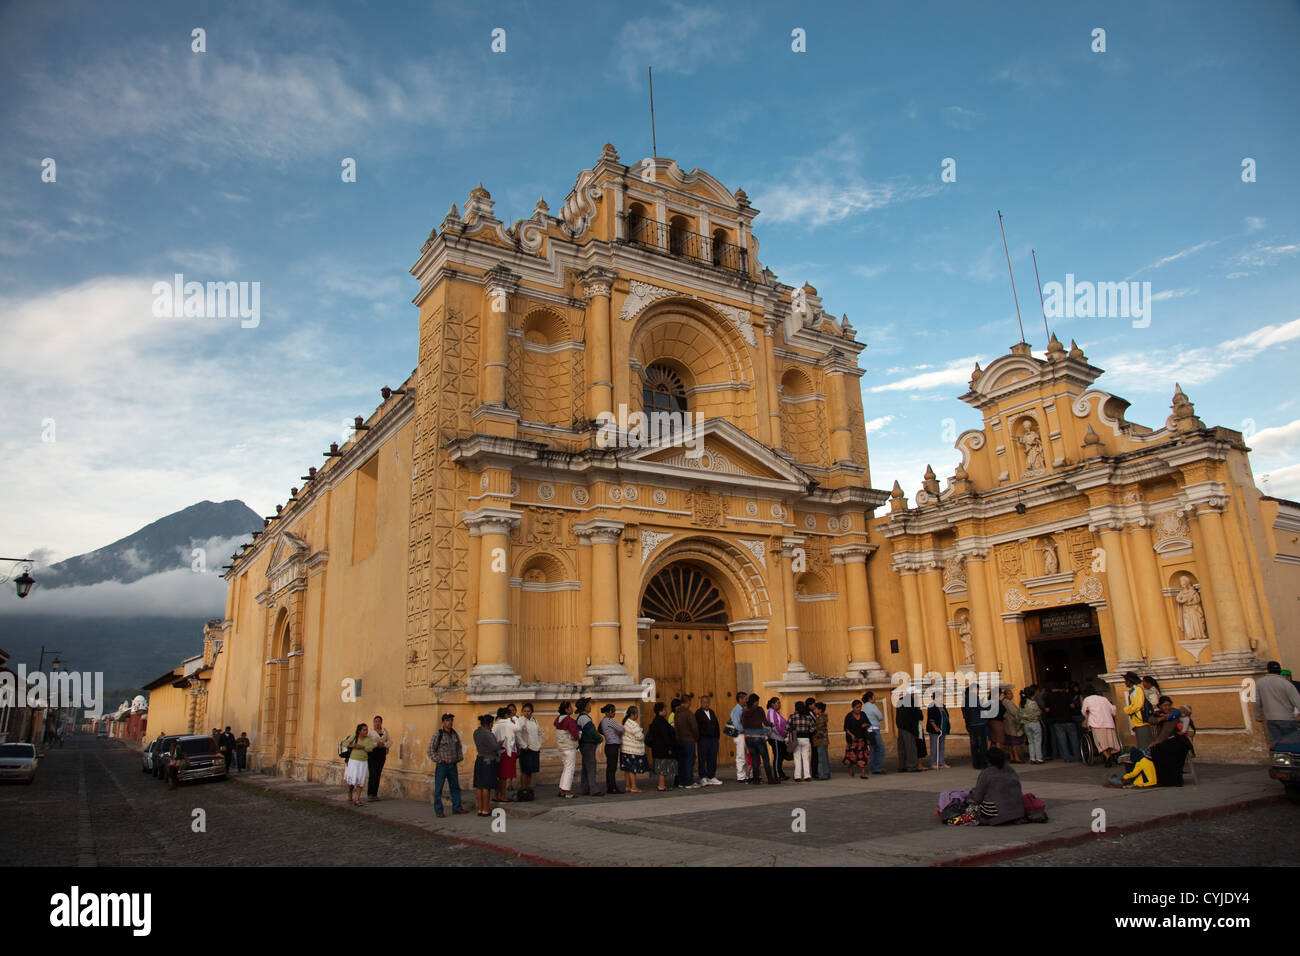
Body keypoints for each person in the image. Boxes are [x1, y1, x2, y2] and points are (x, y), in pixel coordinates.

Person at [958, 747, 1025, 825]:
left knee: (972, 806)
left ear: (988, 760)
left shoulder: (987, 773)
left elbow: (977, 797)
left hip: (997, 813)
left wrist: (969, 798)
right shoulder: (1011, 770)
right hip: (1017, 812)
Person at [427, 713, 468, 817]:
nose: (450, 722)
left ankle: (457, 808)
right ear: (443, 722)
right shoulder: (438, 735)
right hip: (442, 766)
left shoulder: (454, 734)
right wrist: (439, 760)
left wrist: (458, 758)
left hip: (452, 765)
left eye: (451, 720)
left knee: (455, 788)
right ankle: (439, 810)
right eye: (447, 720)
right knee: (438, 789)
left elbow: (458, 747)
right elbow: (431, 750)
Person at [1254, 661, 1300, 743]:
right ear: (1280, 671)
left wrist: (1258, 716)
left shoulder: (1260, 683)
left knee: (1277, 744)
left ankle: (1280, 756)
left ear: (1267, 670)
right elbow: (1297, 701)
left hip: (1271, 719)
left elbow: (1257, 702)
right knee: (1292, 743)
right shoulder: (1286, 684)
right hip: (1287, 719)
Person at [1081, 683, 1121, 766]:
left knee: (1100, 743)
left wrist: (1087, 718)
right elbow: (1113, 709)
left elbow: (1084, 711)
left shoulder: (1087, 699)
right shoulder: (1104, 699)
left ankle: (1107, 756)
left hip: (1096, 723)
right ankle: (1108, 757)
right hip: (1108, 722)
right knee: (1109, 742)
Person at [740, 694, 776, 784]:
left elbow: (742, 723)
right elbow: (765, 722)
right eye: (757, 701)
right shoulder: (759, 710)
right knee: (765, 758)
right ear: (755, 701)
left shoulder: (744, 711)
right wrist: (771, 725)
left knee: (754, 758)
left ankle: (756, 779)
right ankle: (770, 779)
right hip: (758, 737)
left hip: (748, 737)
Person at [646, 702, 678, 791]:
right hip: (662, 748)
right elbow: (666, 736)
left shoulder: (656, 720)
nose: (666, 711)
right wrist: (670, 747)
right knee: (662, 767)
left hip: (657, 748)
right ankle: (661, 785)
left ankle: (661, 785)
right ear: (661, 710)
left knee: (661, 767)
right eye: (665, 709)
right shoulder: (661, 722)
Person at [472, 714, 500, 817]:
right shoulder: (488, 734)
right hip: (488, 760)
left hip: (479, 759)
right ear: (489, 724)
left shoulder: (476, 732)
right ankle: (485, 809)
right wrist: (500, 744)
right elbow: (494, 746)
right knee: (486, 786)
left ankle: (479, 809)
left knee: (479, 786)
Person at [575, 697, 603, 797]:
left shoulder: (581, 717)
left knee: (586, 767)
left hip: (584, 745)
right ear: (585, 707)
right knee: (591, 766)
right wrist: (599, 738)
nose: (590, 706)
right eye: (588, 705)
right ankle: (594, 789)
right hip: (588, 744)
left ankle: (585, 788)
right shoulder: (584, 718)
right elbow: (592, 731)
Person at [1044, 683, 1079, 763]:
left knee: (1062, 741)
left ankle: (1067, 758)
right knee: (1074, 739)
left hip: (1057, 721)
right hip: (1068, 719)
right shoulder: (1066, 695)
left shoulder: (1048, 697)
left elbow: (1047, 710)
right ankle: (1077, 756)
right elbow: (1072, 706)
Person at [342, 722, 374, 807]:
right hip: (354, 761)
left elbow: (370, 748)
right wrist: (352, 746)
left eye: (367, 730)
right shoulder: (355, 736)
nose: (366, 731)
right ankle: (350, 791)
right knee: (353, 780)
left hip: (363, 762)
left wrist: (362, 747)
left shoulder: (369, 739)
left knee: (360, 781)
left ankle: (357, 799)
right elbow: (345, 743)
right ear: (359, 731)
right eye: (364, 730)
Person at [553, 701, 580, 799]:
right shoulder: (569, 720)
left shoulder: (558, 719)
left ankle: (562, 789)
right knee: (569, 769)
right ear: (566, 709)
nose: (572, 709)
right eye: (570, 707)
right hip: (569, 747)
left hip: (561, 748)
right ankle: (567, 791)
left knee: (565, 769)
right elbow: (575, 735)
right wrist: (580, 735)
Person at [674, 693, 700, 789]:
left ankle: (682, 781)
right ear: (688, 702)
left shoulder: (677, 713)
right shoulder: (688, 713)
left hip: (679, 740)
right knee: (689, 761)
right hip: (689, 740)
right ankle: (689, 781)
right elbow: (694, 727)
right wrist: (696, 737)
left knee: (681, 761)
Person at [619, 705, 648, 793]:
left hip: (625, 749)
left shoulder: (625, 722)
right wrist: (642, 735)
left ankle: (627, 786)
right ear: (633, 714)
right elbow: (639, 736)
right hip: (633, 750)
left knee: (627, 769)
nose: (637, 715)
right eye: (637, 714)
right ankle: (634, 787)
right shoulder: (633, 724)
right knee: (632, 769)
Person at [516, 701, 542, 799]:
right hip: (526, 749)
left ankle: (528, 788)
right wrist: (523, 745)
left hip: (534, 748)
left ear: (532, 712)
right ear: (522, 712)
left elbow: (539, 733)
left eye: (529, 711)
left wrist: (538, 744)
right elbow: (518, 734)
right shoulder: (520, 721)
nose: (527, 713)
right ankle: (523, 789)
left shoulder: (534, 720)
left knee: (530, 770)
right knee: (524, 770)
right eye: (525, 711)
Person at [695, 694, 722, 786]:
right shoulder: (698, 713)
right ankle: (703, 777)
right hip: (703, 739)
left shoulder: (712, 712)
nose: (705, 704)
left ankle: (711, 776)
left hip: (713, 739)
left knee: (712, 758)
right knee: (702, 758)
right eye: (704, 702)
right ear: (701, 703)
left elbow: (716, 724)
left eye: (707, 702)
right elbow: (696, 727)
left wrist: (717, 736)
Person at [598, 703, 625, 794]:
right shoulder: (609, 720)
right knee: (612, 768)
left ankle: (610, 786)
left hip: (609, 745)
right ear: (609, 712)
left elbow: (599, 730)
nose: (614, 713)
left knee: (610, 767)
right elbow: (621, 729)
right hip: (612, 745)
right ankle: (613, 787)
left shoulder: (603, 721)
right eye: (613, 711)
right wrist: (617, 733)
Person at [492, 707, 517, 803]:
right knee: (503, 776)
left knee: (500, 776)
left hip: (501, 752)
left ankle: (496, 795)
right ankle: (502, 795)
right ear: (506, 716)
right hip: (505, 752)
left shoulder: (496, 725)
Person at [962, 682, 990, 769]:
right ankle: (982, 762)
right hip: (979, 723)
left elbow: (964, 712)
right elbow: (981, 707)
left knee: (974, 744)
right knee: (982, 744)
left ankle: (976, 762)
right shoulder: (974, 697)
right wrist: (989, 705)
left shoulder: (965, 700)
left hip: (971, 724)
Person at [842, 698, 872, 778]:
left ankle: (863, 773)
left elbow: (869, 723)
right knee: (852, 756)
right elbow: (846, 728)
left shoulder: (863, 714)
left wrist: (865, 725)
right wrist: (851, 735)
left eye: (860, 707)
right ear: (853, 707)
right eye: (857, 707)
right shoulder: (849, 716)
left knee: (862, 755)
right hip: (852, 740)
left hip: (862, 738)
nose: (858, 709)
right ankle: (851, 769)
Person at [1123, 671, 1151, 751]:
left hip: (1141, 721)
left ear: (1129, 681)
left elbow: (1138, 705)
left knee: (1144, 745)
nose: (1125, 682)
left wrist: (1127, 710)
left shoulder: (1137, 690)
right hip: (1137, 722)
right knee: (1141, 744)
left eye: (1125, 680)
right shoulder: (1132, 691)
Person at [896, 690, 923, 772]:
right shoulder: (912, 702)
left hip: (901, 727)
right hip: (909, 728)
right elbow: (918, 716)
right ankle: (911, 766)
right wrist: (918, 709)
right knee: (910, 747)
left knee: (902, 748)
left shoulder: (900, 701)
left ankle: (902, 766)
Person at [788, 700, 815, 781]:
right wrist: (808, 731)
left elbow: (787, 727)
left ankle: (798, 776)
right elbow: (813, 727)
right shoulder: (808, 717)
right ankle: (807, 776)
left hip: (796, 738)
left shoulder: (792, 717)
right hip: (806, 738)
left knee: (797, 757)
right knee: (806, 757)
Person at [367, 715, 392, 802]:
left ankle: (375, 794)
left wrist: (384, 744)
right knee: (372, 773)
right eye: (376, 721)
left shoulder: (385, 731)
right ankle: (370, 794)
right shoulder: (370, 731)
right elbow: (367, 742)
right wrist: (376, 744)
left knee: (378, 774)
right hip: (372, 753)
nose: (377, 723)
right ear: (373, 722)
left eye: (379, 721)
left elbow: (389, 741)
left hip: (381, 753)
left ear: (381, 722)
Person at [862, 691, 886, 774]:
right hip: (875, 729)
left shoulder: (864, 707)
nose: (875, 698)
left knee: (872, 749)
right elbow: (880, 717)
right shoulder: (873, 706)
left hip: (868, 730)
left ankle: (872, 767)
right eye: (874, 696)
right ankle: (877, 767)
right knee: (881, 749)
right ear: (870, 698)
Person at [729, 690, 749, 782]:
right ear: (740, 699)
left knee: (746, 755)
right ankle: (740, 776)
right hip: (740, 734)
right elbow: (737, 724)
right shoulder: (736, 710)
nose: (746, 701)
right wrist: (746, 729)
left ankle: (746, 774)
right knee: (741, 755)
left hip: (744, 733)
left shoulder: (744, 709)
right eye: (745, 699)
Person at [1020, 685, 1044, 764]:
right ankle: (1039, 758)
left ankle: (1032, 758)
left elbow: (1019, 714)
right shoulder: (1033, 703)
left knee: (1030, 742)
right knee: (1037, 740)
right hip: (1034, 722)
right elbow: (1038, 712)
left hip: (1026, 724)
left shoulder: (1022, 703)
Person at [766, 697, 789, 780]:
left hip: (780, 738)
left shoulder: (776, 713)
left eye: (780, 703)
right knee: (778, 756)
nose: (779, 705)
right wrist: (783, 734)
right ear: (772, 704)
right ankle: (777, 774)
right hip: (775, 737)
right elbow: (774, 726)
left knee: (781, 756)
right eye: (778, 703)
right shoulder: (771, 713)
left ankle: (780, 772)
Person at [926, 697, 950, 769]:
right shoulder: (932, 706)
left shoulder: (943, 706)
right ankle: (933, 763)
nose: (941, 698)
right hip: (935, 730)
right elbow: (931, 718)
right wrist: (935, 727)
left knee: (941, 747)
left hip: (943, 729)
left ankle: (941, 762)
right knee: (934, 747)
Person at [1001, 688, 1024, 764]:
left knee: (1010, 741)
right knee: (1014, 741)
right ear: (1005, 695)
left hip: (1007, 723)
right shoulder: (1007, 702)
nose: (1012, 695)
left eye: (1011, 693)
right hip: (1011, 723)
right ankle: (1016, 757)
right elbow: (1014, 712)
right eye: (1009, 693)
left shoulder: (1004, 702)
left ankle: (1012, 757)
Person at [812, 701, 831, 780]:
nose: (814, 711)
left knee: (821, 758)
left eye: (815, 709)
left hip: (820, 740)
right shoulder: (822, 717)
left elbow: (819, 730)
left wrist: (814, 735)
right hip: (823, 740)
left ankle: (822, 774)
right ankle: (826, 773)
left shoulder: (820, 718)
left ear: (820, 710)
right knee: (824, 757)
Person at [803, 697, 819, 778]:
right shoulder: (807, 714)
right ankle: (814, 771)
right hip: (810, 735)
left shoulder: (813, 713)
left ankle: (815, 770)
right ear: (809, 705)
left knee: (815, 753)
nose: (814, 705)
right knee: (814, 754)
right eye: (813, 704)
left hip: (814, 736)